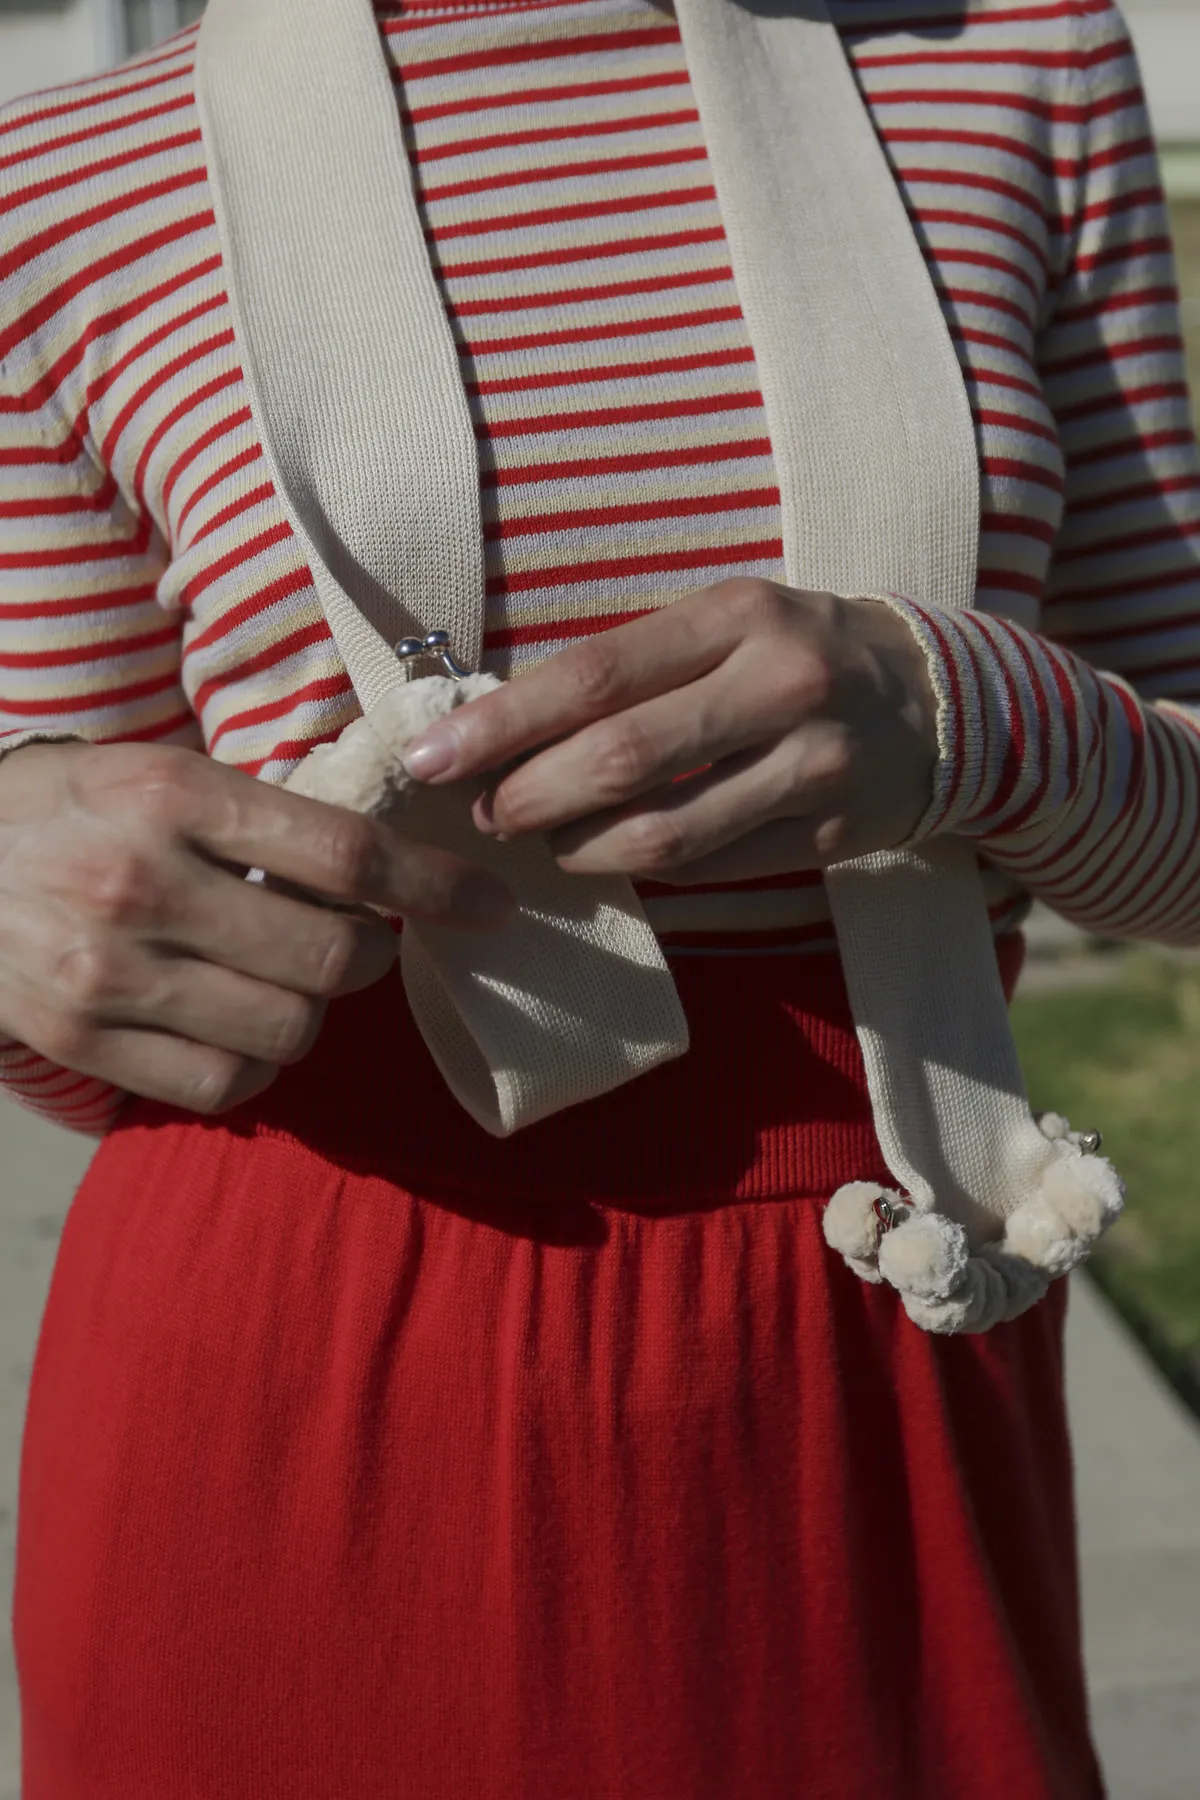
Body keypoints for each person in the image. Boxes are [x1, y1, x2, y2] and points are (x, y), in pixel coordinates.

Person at [2, 0, 1198, 1792]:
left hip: (870, 1343)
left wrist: (960, 714)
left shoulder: (1011, 64)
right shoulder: (59, 186)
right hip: (293, 1354)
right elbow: (108, 1045)